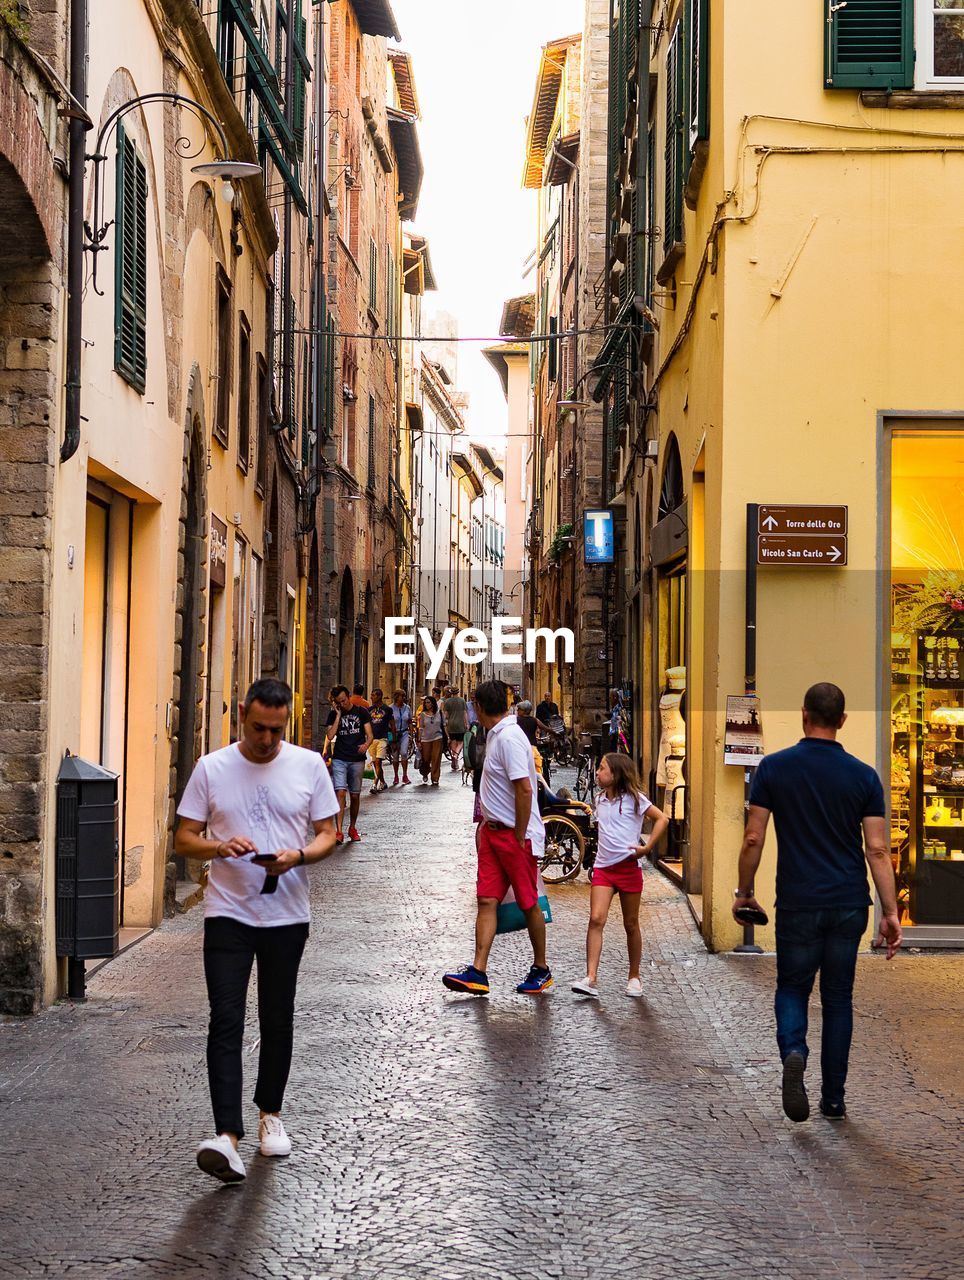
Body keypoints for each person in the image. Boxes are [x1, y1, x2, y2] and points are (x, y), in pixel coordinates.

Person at [174, 678, 339, 1184]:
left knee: (277, 1016)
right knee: (225, 1018)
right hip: (227, 911)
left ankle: (271, 1114)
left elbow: (328, 833)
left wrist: (298, 857)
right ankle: (227, 1136)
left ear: (286, 721)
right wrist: (215, 848)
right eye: (258, 727)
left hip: (287, 914)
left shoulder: (308, 765)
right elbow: (183, 837)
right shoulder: (212, 767)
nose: (267, 739)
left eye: (276, 729)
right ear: (241, 714)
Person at [734, 682, 902, 1123]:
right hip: (849, 901)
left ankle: (794, 1052)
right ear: (842, 720)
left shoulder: (774, 768)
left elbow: (754, 836)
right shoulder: (865, 776)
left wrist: (744, 891)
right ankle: (833, 1098)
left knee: (792, 987)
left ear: (805, 715)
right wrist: (890, 911)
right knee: (839, 998)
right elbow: (878, 850)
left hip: (799, 900)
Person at [443, 679, 552, 996]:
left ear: (477, 707)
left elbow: (524, 788)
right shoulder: (497, 735)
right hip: (494, 833)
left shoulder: (509, 738)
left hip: (512, 835)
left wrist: (519, 834)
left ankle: (541, 969)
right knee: (486, 899)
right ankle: (478, 971)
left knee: (529, 901)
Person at [572, 754, 667, 999]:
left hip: (628, 868)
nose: (597, 772)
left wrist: (647, 848)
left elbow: (662, 819)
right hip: (604, 869)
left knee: (631, 924)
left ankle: (634, 976)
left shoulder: (636, 800)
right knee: (596, 919)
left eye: (602, 768)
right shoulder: (599, 799)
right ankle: (591, 977)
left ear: (615, 774)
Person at [325, 685, 373, 842]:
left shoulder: (361, 712)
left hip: (357, 759)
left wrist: (365, 746)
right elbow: (331, 735)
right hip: (339, 757)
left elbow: (370, 735)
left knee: (355, 795)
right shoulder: (333, 715)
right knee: (340, 793)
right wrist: (338, 716)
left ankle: (352, 827)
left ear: (349, 697)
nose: (343, 704)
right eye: (339, 702)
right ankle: (338, 831)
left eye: (344, 700)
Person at [366, 688, 393, 794]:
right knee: (375, 763)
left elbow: (392, 723)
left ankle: (374, 784)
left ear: (379, 696)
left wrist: (394, 739)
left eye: (373, 695)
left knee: (378, 761)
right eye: (371, 695)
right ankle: (383, 782)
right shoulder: (369, 710)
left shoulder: (387, 709)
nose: (371, 697)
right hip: (372, 739)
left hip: (382, 738)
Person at [416, 695, 444, 785]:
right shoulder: (423, 714)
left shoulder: (439, 712)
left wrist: (448, 737)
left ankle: (435, 778)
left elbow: (444, 725)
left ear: (432, 703)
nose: (427, 704)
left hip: (437, 737)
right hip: (425, 739)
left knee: (436, 758)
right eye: (425, 702)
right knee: (426, 758)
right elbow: (420, 728)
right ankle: (425, 773)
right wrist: (419, 740)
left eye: (428, 702)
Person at [390, 689, 413, 786]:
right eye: (401, 696)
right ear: (396, 697)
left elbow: (410, 721)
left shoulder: (407, 708)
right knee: (395, 756)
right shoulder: (390, 708)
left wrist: (411, 734)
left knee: (404, 753)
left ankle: (405, 775)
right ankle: (396, 776)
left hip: (404, 733)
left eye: (404, 696)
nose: (403, 698)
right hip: (393, 734)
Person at [441, 687, 468, 770]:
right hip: (460, 724)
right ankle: (456, 755)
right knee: (461, 742)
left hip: (451, 724)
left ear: (451, 692)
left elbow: (445, 714)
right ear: (458, 692)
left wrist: (445, 723)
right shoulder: (462, 701)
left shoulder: (447, 701)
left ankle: (453, 757)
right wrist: (466, 724)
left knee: (453, 741)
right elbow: (464, 713)